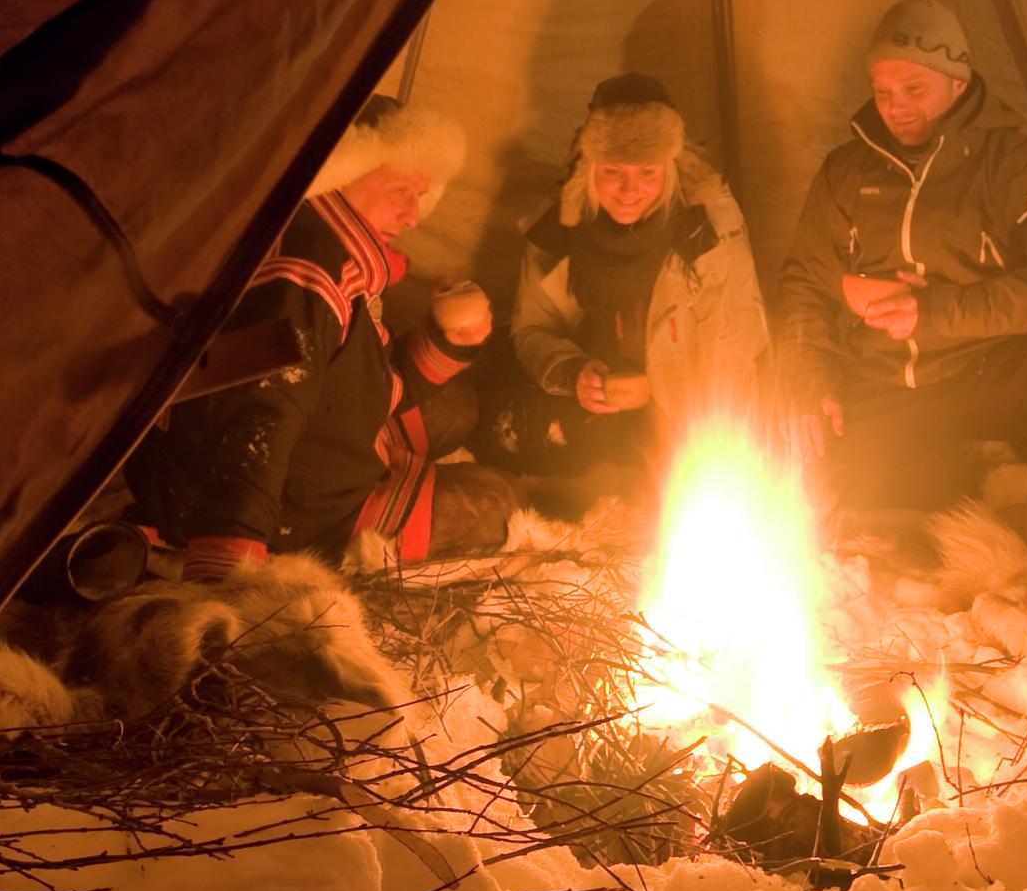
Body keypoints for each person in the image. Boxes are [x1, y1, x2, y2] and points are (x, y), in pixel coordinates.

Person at [772, 0, 1027, 599]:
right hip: (880, 384)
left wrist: (935, 313)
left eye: (913, 89)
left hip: (984, 370)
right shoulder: (846, 171)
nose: (895, 108)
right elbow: (804, 282)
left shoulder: (1013, 163)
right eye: (883, 91)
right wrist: (808, 379)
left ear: (956, 81)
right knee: (772, 405)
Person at [123, 98, 492, 577]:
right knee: (492, 503)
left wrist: (450, 338)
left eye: (420, 197)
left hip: (315, 441)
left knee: (460, 405)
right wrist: (231, 562)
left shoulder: (335, 249)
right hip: (288, 510)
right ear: (341, 170)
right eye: (401, 189)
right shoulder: (306, 274)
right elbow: (259, 414)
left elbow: (358, 374)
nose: (412, 217)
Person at [499, 74, 772, 501]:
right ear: (589, 168)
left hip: (683, 413)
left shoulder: (704, 231)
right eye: (612, 172)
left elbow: (736, 346)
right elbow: (532, 328)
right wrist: (575, 373)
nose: (630, 190)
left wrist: (677, 413)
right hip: (591, 407)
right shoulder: (559, 230)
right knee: (512, 431)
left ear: (671, 168)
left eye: (648, 172)